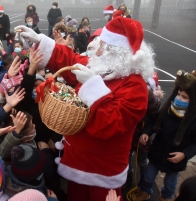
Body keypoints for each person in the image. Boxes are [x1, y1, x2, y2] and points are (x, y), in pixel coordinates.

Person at [15, 15, 156, 200]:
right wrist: (40, 40)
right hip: (76, 162)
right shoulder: (104, 65)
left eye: (103, 48)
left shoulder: (135, 87)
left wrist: (92, 87)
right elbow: (71, 60)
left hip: (103, 171)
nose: (96, 52)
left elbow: (112, 123)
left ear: (119, 54)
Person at [132, 70, 196, 201]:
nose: (179, 99)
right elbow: (154, 121)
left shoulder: (193, 120)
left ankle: (165, 197)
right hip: (157, 152)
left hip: (175, 159)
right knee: (148, 176)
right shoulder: (169, 109)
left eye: (185, 97)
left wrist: (184, 154)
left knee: (170, 182)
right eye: (178, 94)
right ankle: (145, 191)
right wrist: (146, 133)